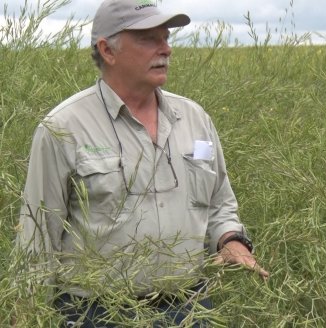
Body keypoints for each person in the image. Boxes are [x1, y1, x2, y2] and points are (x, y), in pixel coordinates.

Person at [15, 0, 268, 326]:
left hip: (189, 309)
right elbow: (38, 238)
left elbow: (219, 201)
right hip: (98, 313)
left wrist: (230, 240)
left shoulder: (194, 120)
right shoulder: (63, 128)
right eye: (149, 39)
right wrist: (26, 313)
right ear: (107, 50)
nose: (166, 50)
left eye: (166, 38)